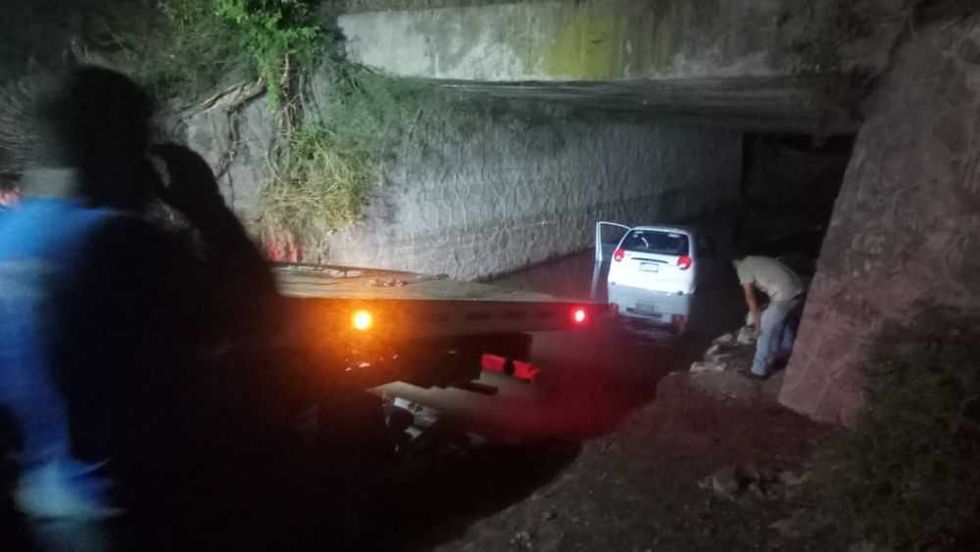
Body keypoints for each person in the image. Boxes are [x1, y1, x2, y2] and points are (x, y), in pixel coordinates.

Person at [0, 65, 298, 551]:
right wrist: (208, 209)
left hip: (49, 508)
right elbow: (261, 317)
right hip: (142, 512)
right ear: (115, 145)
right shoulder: (121, 243)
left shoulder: (8, 239)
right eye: (140, 139)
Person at [732, 254, 804, 379]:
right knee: (783, 324)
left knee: (765, 330)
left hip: (784, 294)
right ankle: (781, 357)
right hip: (799, 291)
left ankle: (758, 371)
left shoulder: (742, 267)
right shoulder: (757, 260)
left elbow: (750, 298)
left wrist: (758, 325)